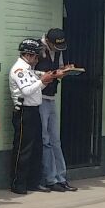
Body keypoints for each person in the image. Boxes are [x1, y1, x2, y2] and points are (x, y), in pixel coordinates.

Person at [9, 39, 61, 194]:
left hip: (34, 110)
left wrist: (47, 80)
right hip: (24, 112)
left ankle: (33, 181)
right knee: (23, 150)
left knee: (36, 148)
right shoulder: (19, 69)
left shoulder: (29, 69)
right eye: (36, 56)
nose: (37, 59)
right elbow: (26, 90)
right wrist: (42, 81)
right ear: (28, 54)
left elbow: (37, 88)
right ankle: (18, 183)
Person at [36, 28, 77, 191]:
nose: (57, 50)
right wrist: (53, 74)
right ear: (48, 41)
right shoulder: (38, 49)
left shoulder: (59, 51)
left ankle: (61, 176)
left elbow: (59, 68)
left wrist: (66, 70)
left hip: (52, 97)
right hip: (39, 97)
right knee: (45, 140)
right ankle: (50, 178)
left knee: (55, 140)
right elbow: (31, 73)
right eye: (55, 46)